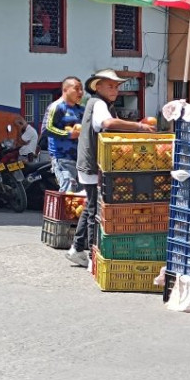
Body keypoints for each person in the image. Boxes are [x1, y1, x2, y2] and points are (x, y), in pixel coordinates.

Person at [66, 69, 157, 268]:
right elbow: (106, 123)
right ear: (97, 86)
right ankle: (92, 255)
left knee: (90, 205)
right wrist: (139, 127)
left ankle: (76, 248)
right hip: (92, 163)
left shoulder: (101, 104)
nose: (115, 90)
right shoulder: (98, 104)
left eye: (116, 86)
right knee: (93, 210)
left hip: (88, 162)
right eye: (110, 86)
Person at [41, 76, 85, 192]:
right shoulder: (56, 107)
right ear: (65, 90)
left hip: (80, 160)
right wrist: (69, 135)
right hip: (62, 158)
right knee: (68, 189)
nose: (80, 92)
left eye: (82, 89)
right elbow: (46, 129)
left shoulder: (81, 110)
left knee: (81, 194)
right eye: (77, 89)